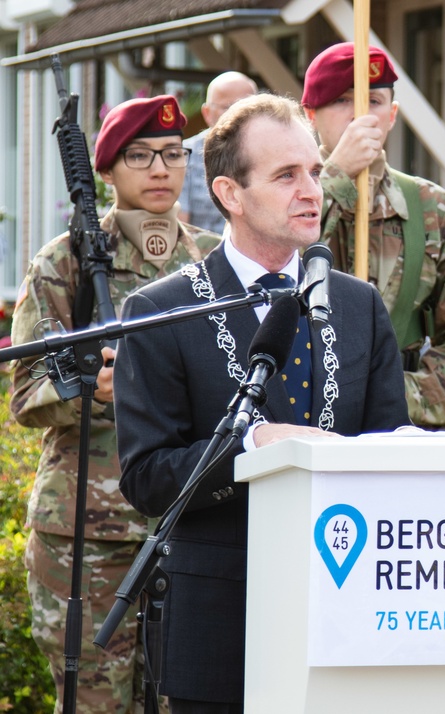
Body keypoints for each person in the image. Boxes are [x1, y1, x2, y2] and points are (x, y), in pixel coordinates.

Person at [113, 93, 410, 712]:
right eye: (285, 176)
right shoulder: (161, 311)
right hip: (220, 623)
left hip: (345, 612)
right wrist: (249, 445)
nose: (311, 191)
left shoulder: (359, 306)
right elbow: (146, 479)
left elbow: (389, 452)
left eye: (314, 171)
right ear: (229, 193)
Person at [9, 95, 220, 713]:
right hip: (86, 534)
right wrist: (88, 388)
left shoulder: (212, 261)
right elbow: (24, 392)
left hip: (186, 521)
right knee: (94, 705)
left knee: (183, 698)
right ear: (107, 169)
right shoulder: (65, 262)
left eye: (173, 154)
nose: (160, 169)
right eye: (140, 156)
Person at [301, 42, 445, 429]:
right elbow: (264, 271)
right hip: (298, 414)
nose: (359, 117)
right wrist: (335, 175)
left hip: (400, 421)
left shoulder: (429, 207)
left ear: (391, 115)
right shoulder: (278, 196)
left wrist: (400, 397)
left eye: (372, 101)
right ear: (310, 116)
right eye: (341, 101)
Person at [178, 71, 258, 234]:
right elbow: (182, 230)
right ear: (207, 113)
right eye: (228, 108)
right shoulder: (183, 156)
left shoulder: (271, 154)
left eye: (246, 107)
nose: (238, 116)